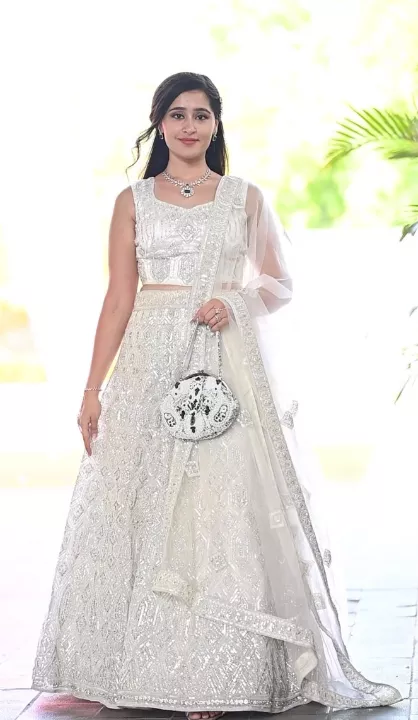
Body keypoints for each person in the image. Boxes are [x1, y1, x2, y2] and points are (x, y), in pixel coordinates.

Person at [31, 72, 401, 718]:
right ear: (159, 124)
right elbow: (118, 298)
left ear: (216, 124)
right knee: (142, 505)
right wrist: (92, 389)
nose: (190, 126)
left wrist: (235, 302)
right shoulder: (132, 201)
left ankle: (214, 676)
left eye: (201, 115)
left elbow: (280, 283)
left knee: (214, 510)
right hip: (148, 364)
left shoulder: (243, 198)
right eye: (178, 114)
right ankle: (134, 667)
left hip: (221, 361)